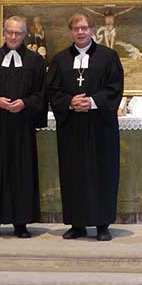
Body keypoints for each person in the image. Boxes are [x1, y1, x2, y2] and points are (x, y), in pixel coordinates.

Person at [47, 13, 124, 241]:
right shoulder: (60, 60)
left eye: (84, 28)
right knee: (74, 174)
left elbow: (115, 87)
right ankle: (77, 224)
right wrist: (70, 102)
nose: (80, 32)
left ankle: (102, 225)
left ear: (93, 30)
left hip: (101, 126)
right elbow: (52, 90)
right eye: (76, 28)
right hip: (72, 127)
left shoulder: (108, 56)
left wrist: (91, 102)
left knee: (103, 173)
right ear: (70, 31)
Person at [0, 15, 48, 238]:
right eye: (10, 32)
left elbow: (41, 93)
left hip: (22, 126)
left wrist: (25, 103)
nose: (13, 37)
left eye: (18, 33)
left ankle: (21, 223)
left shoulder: (35, 61)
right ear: (3, 33)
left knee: (22, 173)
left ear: (25, 35)